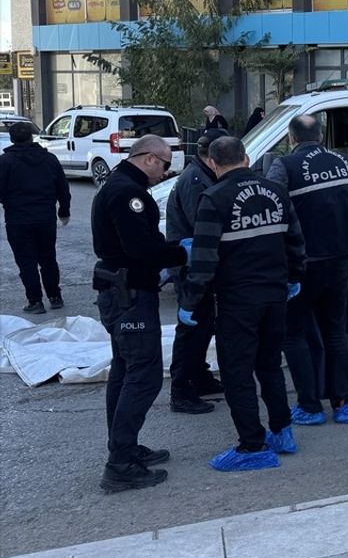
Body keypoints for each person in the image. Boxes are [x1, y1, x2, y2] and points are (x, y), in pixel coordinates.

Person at [180, 137, 306, 472]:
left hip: (238, 300)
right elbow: (295, 240)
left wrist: (190, 301)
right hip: (275, 295)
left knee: (237, 373)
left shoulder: (214, 198)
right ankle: (282, 432)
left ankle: (252, 446)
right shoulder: (276, 192)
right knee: (269, 366)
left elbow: (204, 260)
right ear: (247, 158)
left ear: (212, 163)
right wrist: (295, 276)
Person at [90, 134, 190, 492]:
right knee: (143, 375)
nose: (165, 173)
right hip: (129, 293)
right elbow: (140, 248)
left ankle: (124, 447)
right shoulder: (127, 193)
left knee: (125, 370)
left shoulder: (121, 185)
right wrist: (180, 253)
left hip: (121, 290)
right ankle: (119, 465)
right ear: (149, 158)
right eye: (165, 166)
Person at [267, 115, 348, 426]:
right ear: (321, 136)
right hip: (341, 258)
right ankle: (343, 403)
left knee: (295, 334)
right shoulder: (343, 161)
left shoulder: (284, 166)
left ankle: (310, 406)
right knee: (336, 330)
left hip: (302, 263)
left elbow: (272, 207)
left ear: (291, 138)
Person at [165, 128, 228, 414]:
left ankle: (200, 376)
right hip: (191, 266)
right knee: (192, 328)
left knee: (204, 325)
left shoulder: (200, 173)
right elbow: (203, 225)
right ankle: (181, 389)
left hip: (199, 262)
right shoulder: (194, 180)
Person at [0, 121, 70, 314]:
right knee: (48, 258)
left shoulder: (5, 162)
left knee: (26, 261)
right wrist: (64, 210)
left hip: (18, 220)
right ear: (31, 137)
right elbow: (62, 187)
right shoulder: (49, 159)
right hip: (45, 218)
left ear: (12, 139)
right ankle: (55, 297)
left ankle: (35, 301)